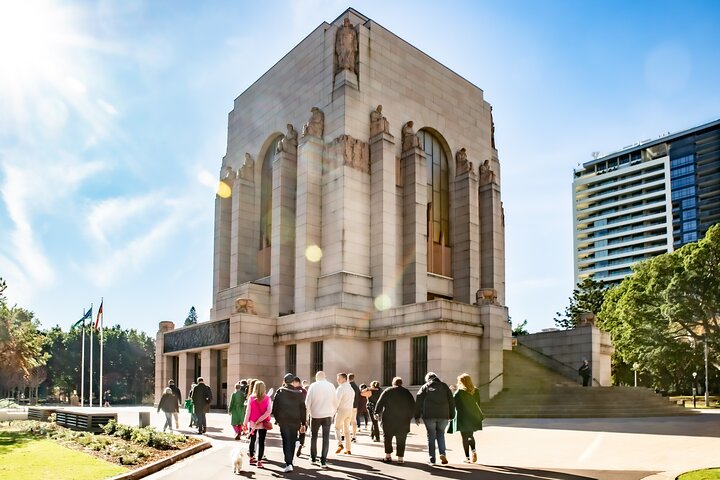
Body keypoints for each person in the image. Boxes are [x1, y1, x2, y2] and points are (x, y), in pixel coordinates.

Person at [414, 372, 455, 465]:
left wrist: (417, 416)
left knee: (431, 436)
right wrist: (452, 414)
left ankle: (432, 458)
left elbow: (418, 401)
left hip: (429, 415)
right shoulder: (444, 386)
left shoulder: (425, 386)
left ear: (427, 379)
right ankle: (442, 453)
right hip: (443, 415)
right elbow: (451, 401)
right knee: (441, 434)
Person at [374, 377, 415, 464]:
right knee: (401, 439)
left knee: (387, 437)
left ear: (393, 383)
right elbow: (413, 405)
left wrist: (376, 412)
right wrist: (410, 416)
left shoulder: (387, 391)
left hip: (389, 419)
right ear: (401, 383)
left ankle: (388, 456)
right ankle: (400, 458)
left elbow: (380, 402)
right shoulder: (406, 392)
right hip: (403, 420)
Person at [272, 373, 307, 473]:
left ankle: (288, 463)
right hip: (295, 421)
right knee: (291, 441)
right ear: (293, 382)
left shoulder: (280, 391)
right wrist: (303, 423)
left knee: (286, 441)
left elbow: (275, 408)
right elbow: (303, 409)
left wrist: (277, 420)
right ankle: (290, 461)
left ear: (284, 381)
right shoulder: (299, 393)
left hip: (283, 421)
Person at [305, 371, 338, 468]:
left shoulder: (313, 386)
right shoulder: (331, 386)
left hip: (315, 415)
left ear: (316, 377)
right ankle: (323, 460)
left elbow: (307, 402)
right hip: (328, 415)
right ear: (325, 376)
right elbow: (335, 401)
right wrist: (333, 413)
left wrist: (307, 416)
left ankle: (313, 458)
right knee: (326, 438)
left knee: (313, 437)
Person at [448, 373, 483, 463]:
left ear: (461, 382)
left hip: (462, 416)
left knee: (464, 437)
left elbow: (453, 403)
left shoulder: (459, 392)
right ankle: (474, 451)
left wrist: (451, 391)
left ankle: (467, 458)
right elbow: (478, 404)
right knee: (470, 435)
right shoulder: (476, 391)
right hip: (473, 416)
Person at [244, 380, 272, 468]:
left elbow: (248, 411)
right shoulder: (267, 398)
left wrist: (245, 422)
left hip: (252, 423)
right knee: (261, 442)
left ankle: (251, 458)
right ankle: (259, 461)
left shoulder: (251, 398)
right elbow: (269, 411)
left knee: (252, 441)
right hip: (263, 423)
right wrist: (261, 419)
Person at [334, 372, 355, 455]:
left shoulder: (341, 388)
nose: (337, 380)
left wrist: (334, 410)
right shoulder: (351, 388)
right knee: (346, 430)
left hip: (342, 409)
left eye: (339, 378)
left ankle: (339, 444)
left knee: (336, 427)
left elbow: (336, 401)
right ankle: (348, 449)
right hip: (350, 410)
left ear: (344, 378)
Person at [292, 376, 308, 457]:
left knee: (294, 431)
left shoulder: (292, 390)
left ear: (296, 382)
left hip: (294, 415)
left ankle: (297, 441)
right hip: (303, 414)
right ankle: (301, 444)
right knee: (302, 432)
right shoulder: (304, 391)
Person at [348, 373, 361, 443]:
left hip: (348, 406)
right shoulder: (356, 387)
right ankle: (354, 436)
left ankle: (344, 435)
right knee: (354, 421)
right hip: (355, 406)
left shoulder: (348, 386)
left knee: (346, 421)